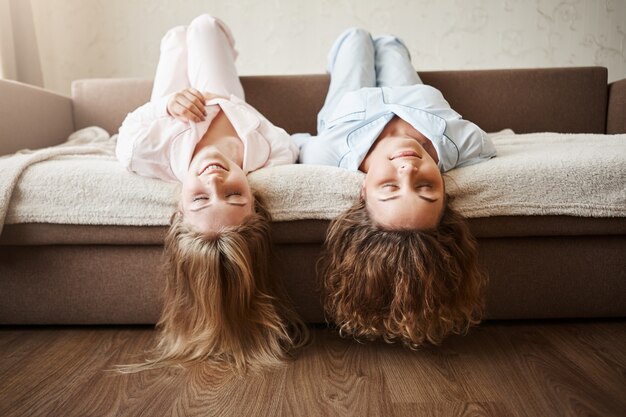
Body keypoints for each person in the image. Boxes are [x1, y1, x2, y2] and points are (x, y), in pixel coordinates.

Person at [115, 14, 307, 371]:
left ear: (179, 209)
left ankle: (176, 56)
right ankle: (206, 46)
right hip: (227, 99)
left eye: (200, 198)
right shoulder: (269, 152)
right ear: (255, 201)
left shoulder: (147, 152)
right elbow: (287, 143)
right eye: (234, 195)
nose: (215, 180)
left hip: (169, 113)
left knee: (174, 40)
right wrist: (227, 103)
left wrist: (167, 104)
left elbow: (128, 130)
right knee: (203, 26)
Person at [297, 28, 495, 348]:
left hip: (349, 110)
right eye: (426, 187)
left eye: (389, 187)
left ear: (363, 192)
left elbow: (294, 146)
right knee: (390, 42)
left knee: (355, 38)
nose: (407, 169)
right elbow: (484, 144)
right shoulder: (461, 144)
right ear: (445, 189)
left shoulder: (328, 153)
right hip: (415, 97)